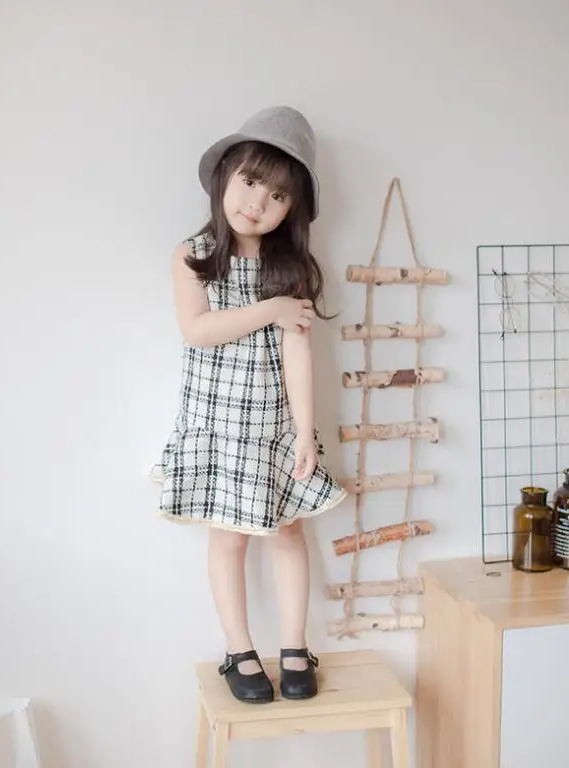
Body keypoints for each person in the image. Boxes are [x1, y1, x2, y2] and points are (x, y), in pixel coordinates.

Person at [153, 106, 347, 703]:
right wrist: (270, 310)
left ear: (292, 210)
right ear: (225, 177)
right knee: (229, 538)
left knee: (288, 534)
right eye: (251, 181)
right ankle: (239, 651)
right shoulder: (194, 255)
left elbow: (298, 353)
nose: (258, 203)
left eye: (278, 195)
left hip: (273, 426)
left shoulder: (289, 269)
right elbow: (197, 330)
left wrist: (305, 433)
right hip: (216, 423)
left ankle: (294, 648)